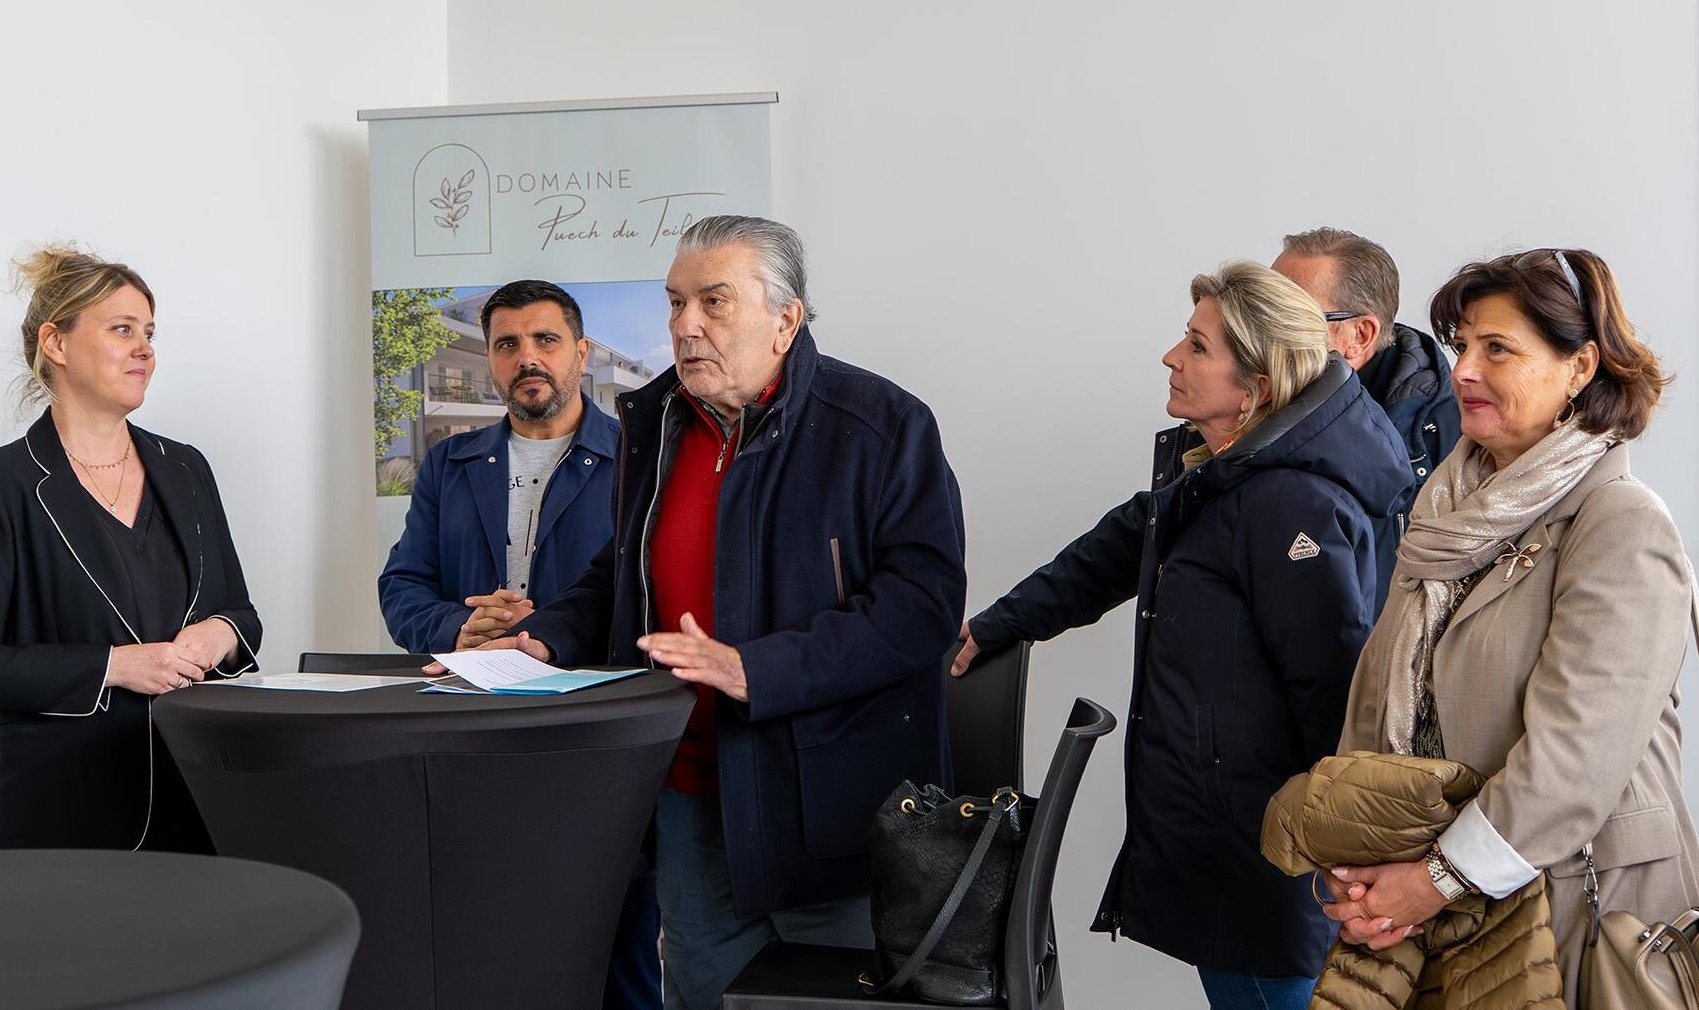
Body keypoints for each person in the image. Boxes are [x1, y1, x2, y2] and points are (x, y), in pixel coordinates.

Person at [471, 215, 966, 1010]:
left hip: (834, 815)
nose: (684, 326)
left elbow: (923, 608)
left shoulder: (880, 425)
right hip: (694, 804)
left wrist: (752, 669)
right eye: (674, 303)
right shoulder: (657, 422)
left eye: (713, 301)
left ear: (786, 318)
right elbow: (619, 571)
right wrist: (546, 639)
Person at [952, 261, 1413, 1010]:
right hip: (1232, 858)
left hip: (1268, 877)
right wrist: (1001, 624)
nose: (1172, 356)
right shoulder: (1218, 477)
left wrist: (1350, 865)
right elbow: (1112, 552)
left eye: (1198, 346)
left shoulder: (1289, 502)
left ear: (1256, 386)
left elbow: (1332, 697)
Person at [1323, 248, 1699, 1001]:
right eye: (1463, 345)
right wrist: (1354, 853)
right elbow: (1379, 694)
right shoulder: (1444, 512)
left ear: (1580, 366)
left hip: (1580, 911)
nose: (1462, 369)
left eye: (1498, 348)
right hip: (1446, 913)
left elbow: (1575, 758)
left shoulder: (1619, 523)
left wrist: (1430, 882)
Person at [379, 278, 659, 1010]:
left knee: (619, 949)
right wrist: (458, 628)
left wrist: (545, 635)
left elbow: (649, 596)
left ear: (581, 353)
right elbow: (401, 588)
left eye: (545, 340)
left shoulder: (641, 458)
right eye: (507, 344)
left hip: (599, 744)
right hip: (476, 740)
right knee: (492, 946)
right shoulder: (451, 462)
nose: (525, 358)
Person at [0, 245, 261, 852]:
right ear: (56, 344)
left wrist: (222, 633)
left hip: (195, 801)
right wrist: (115, 665)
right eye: (122, 329)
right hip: (58, 819)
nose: (145, 349)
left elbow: (241, 613)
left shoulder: (185, 469)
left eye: (150, 332)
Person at [1274, 227, 1460, 500]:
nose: (1257, 330)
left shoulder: (1456, 440)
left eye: (1290, 316)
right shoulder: (1237, 392)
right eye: (1256, 308)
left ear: (1360, 335)